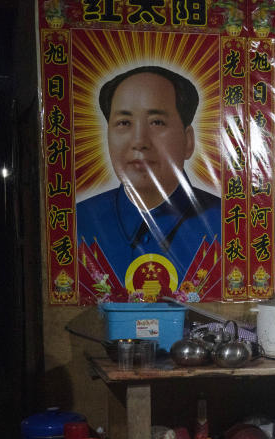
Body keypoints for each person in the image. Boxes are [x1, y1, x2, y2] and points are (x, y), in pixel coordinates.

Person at [76, 65, 221, 286]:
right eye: (124, 123)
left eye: (157, 122)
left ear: (188, 141)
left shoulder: (225, 225)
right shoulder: (78, 223)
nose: (139, 141)